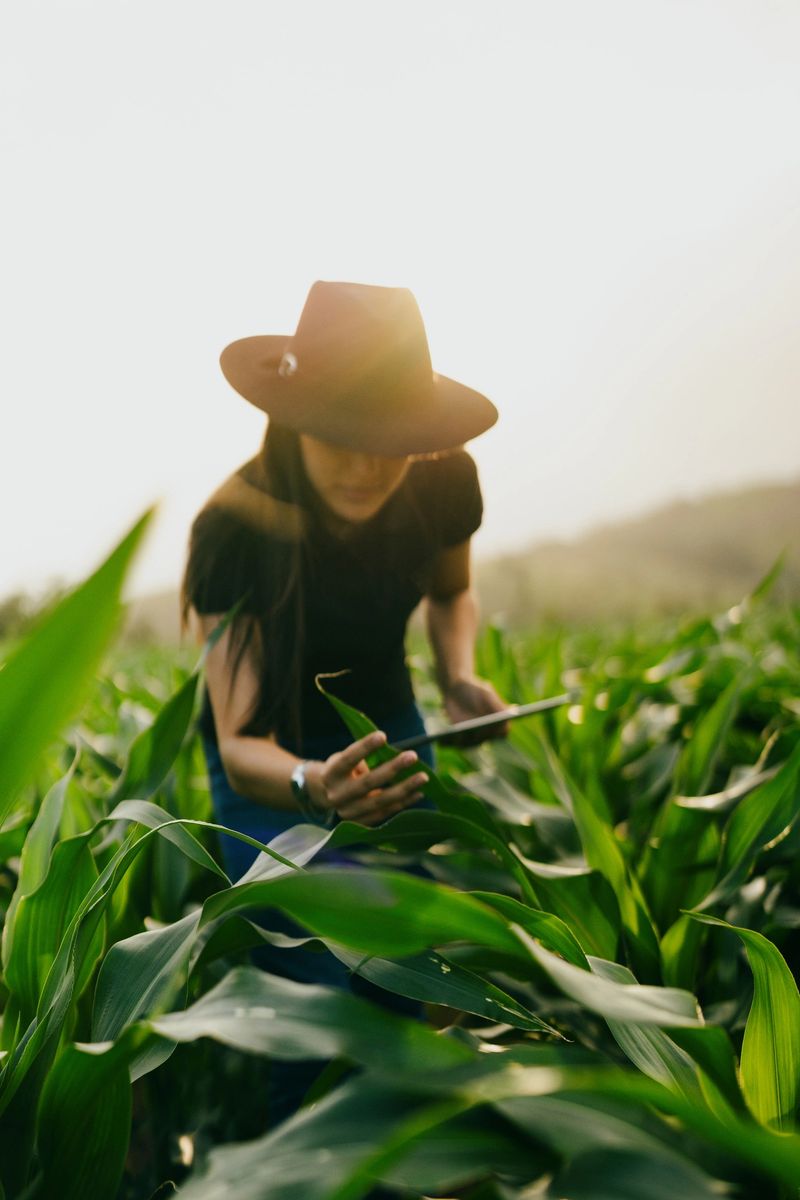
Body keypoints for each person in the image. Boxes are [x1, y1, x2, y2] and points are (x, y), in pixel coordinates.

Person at [181, 280, 507, 1125]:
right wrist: (312, 787)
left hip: (388, 727)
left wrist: (458, 676)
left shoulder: (442, 483)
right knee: (322, 984)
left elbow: (450, 595)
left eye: (389, 440)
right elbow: (242, 740)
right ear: (293, 423)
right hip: (275, 765)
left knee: (402, 962)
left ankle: (404, 1159)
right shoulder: (233, 529)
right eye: (341, 438)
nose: (366, 466)